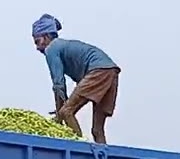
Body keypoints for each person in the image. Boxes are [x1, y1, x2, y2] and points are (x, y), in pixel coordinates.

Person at [32, 14, 121, 145]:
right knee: (97, 130)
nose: (37, 48)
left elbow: (58, 84)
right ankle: (103, 154)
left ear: (46, 36)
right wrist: (60, 109)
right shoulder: (62, 46)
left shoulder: (52, 48)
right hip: (111, 71)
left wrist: (59, 113)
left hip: (98, 70)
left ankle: (79, 148)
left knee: (66, 111)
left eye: (37, 42)